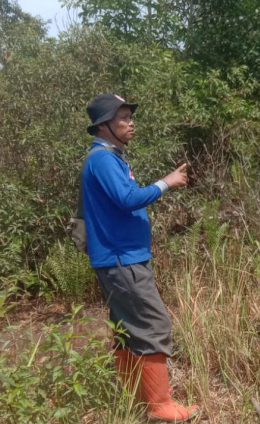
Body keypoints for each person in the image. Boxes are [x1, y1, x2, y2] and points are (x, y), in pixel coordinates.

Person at [82, 93, 200, 421]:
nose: (131, 122)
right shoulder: (103, 159)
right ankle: (161, 406)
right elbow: (128, 199)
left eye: (131, 116)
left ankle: (138, 402)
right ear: (104, 126)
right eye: (123, 118)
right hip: (122, 259)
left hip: (122, 258)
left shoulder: (110, 157)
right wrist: (167, 182)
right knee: (152, 324)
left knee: (128, 329)